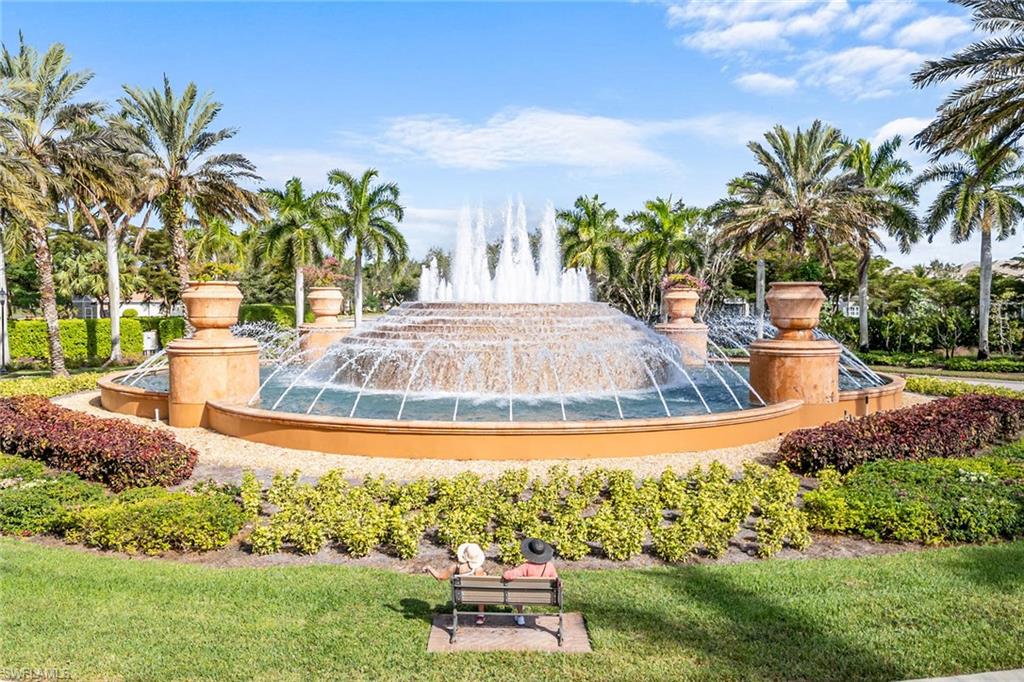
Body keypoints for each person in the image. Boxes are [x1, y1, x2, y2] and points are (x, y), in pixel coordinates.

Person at [424, 542, 488, 625]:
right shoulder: (479, 570)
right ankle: (481, 615)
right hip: (475, 596)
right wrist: (485, 575)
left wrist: (429, 568)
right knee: (480, 592)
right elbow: (481, 585)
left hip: (460, 597)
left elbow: (440, 577)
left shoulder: (455, 568)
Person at [502, 537, 558, 626]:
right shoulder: (550, 566)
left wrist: (506, 571)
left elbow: (507, 576)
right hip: (544, 597)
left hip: (526, 596)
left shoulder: (525, 566)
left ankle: (520, 616)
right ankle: (519, 616)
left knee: (517, 592)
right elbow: (556, 580)